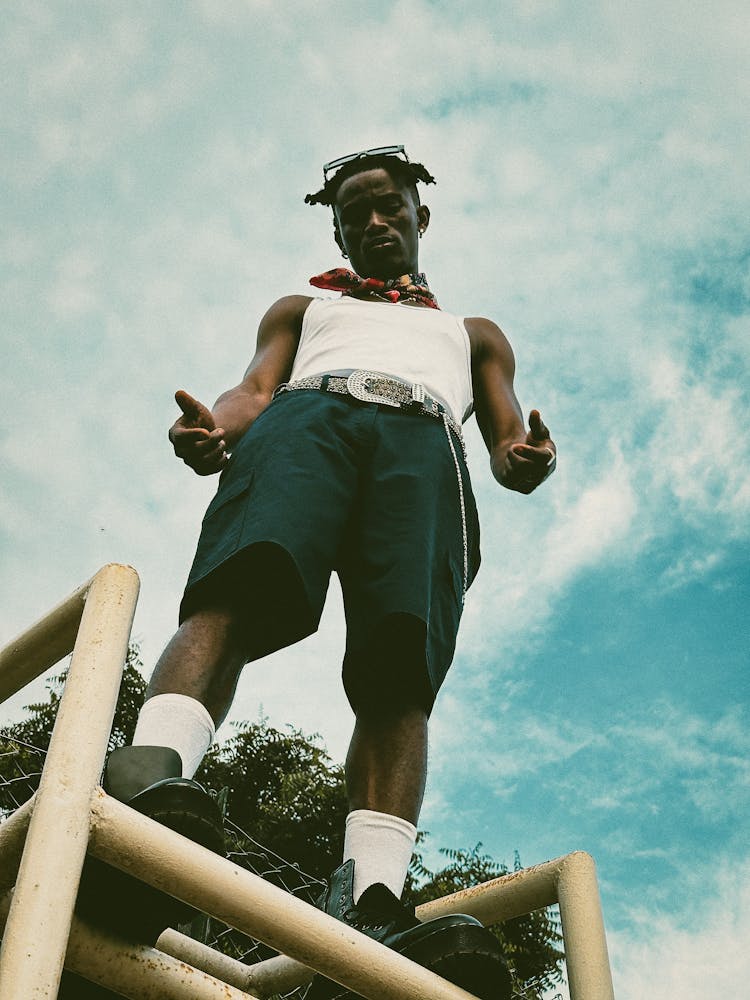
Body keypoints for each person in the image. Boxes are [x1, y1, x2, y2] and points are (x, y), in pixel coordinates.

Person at [103, 145, 556, 999]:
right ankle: (147, 780)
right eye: (355, 216)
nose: (374, 223)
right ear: (338, 231)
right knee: (239, 590)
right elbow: (253, 390)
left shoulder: (472, 333)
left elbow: (504, 442)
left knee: (399, 667)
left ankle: (373, 895)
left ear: (423, 215)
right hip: (309, 421)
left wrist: (524, 456)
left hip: (422, 448)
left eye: (388, 207)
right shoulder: (302, 308)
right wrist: (217, 426)